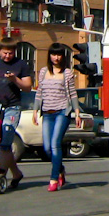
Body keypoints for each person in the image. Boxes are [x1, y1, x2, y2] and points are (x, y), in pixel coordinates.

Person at [0, 36, 32, 189]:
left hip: (12, 107)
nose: (7, 56)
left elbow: (27, 87)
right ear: (0, 51)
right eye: (4, 53)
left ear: (14, 52)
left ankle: (1, 172)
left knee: (5, 142)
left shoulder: (21, 64)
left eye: (10, 53)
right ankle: (16, 173)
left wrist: (15, 79)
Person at [33, 43, 82, 192]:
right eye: (54, 54)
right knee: (47, 148)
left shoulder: (67, 73)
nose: (56, 57)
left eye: (59, 54)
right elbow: (39, 92)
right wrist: (35, 110)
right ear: (49, 56)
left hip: (62, 111)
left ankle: (54, 179)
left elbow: (73, 93)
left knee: (55, 144)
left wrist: (77, 112)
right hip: (47, 113)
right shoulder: (43, 72)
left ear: (63, 56)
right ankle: (60, 169)